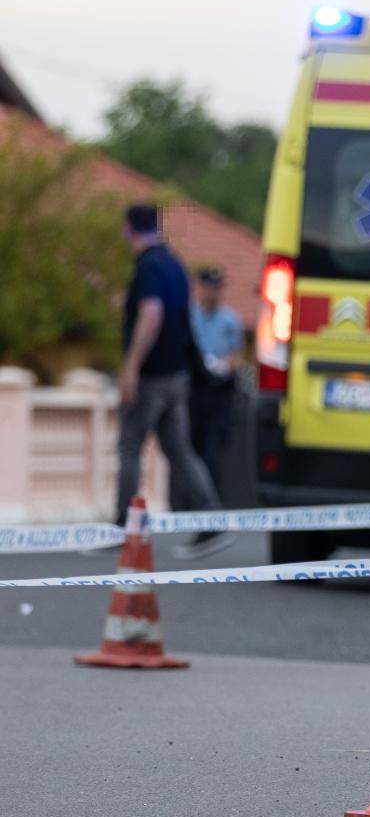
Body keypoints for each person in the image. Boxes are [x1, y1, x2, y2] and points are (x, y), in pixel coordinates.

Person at [116, 204, 229, 559]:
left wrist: (131, 366)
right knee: (179, 450)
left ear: (129, 228)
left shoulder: (148, 265)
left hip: (151, 376)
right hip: (178, 375)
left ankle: (123, 527)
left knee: (129, 447)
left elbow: (151, 314)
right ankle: (211, 520)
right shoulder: (176, 264)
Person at [188, 266, 243, 492]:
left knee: (213, 451)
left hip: (219, 391)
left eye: (216, 289)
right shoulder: (189, 316)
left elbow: (237, 355)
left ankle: (209, 503)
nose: (211, 293)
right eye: (207, 288)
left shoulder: (230, 320)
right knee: (191, 449)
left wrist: (224, 364)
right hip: (194, 387)